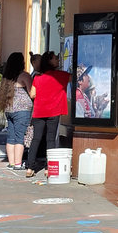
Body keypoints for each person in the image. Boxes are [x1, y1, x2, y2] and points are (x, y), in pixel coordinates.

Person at [25, 50, 70, 178]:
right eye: (55, 58)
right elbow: (74, 78)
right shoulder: (61, 75)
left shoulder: (38, 78)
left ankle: (29, 168)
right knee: (50, 139)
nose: (58, 60)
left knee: (36, 139)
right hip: (54, 111)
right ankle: (48, 168)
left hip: (39, 111)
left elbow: (32, 94)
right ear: (50, 61)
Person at [0, 52, 33, 171]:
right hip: (22, 110)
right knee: (19, 137)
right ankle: (18, 164)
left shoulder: (8, 76)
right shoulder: (24, 76)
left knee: (11, 137)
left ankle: (12, 162)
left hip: (9, 109)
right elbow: (32, 93)